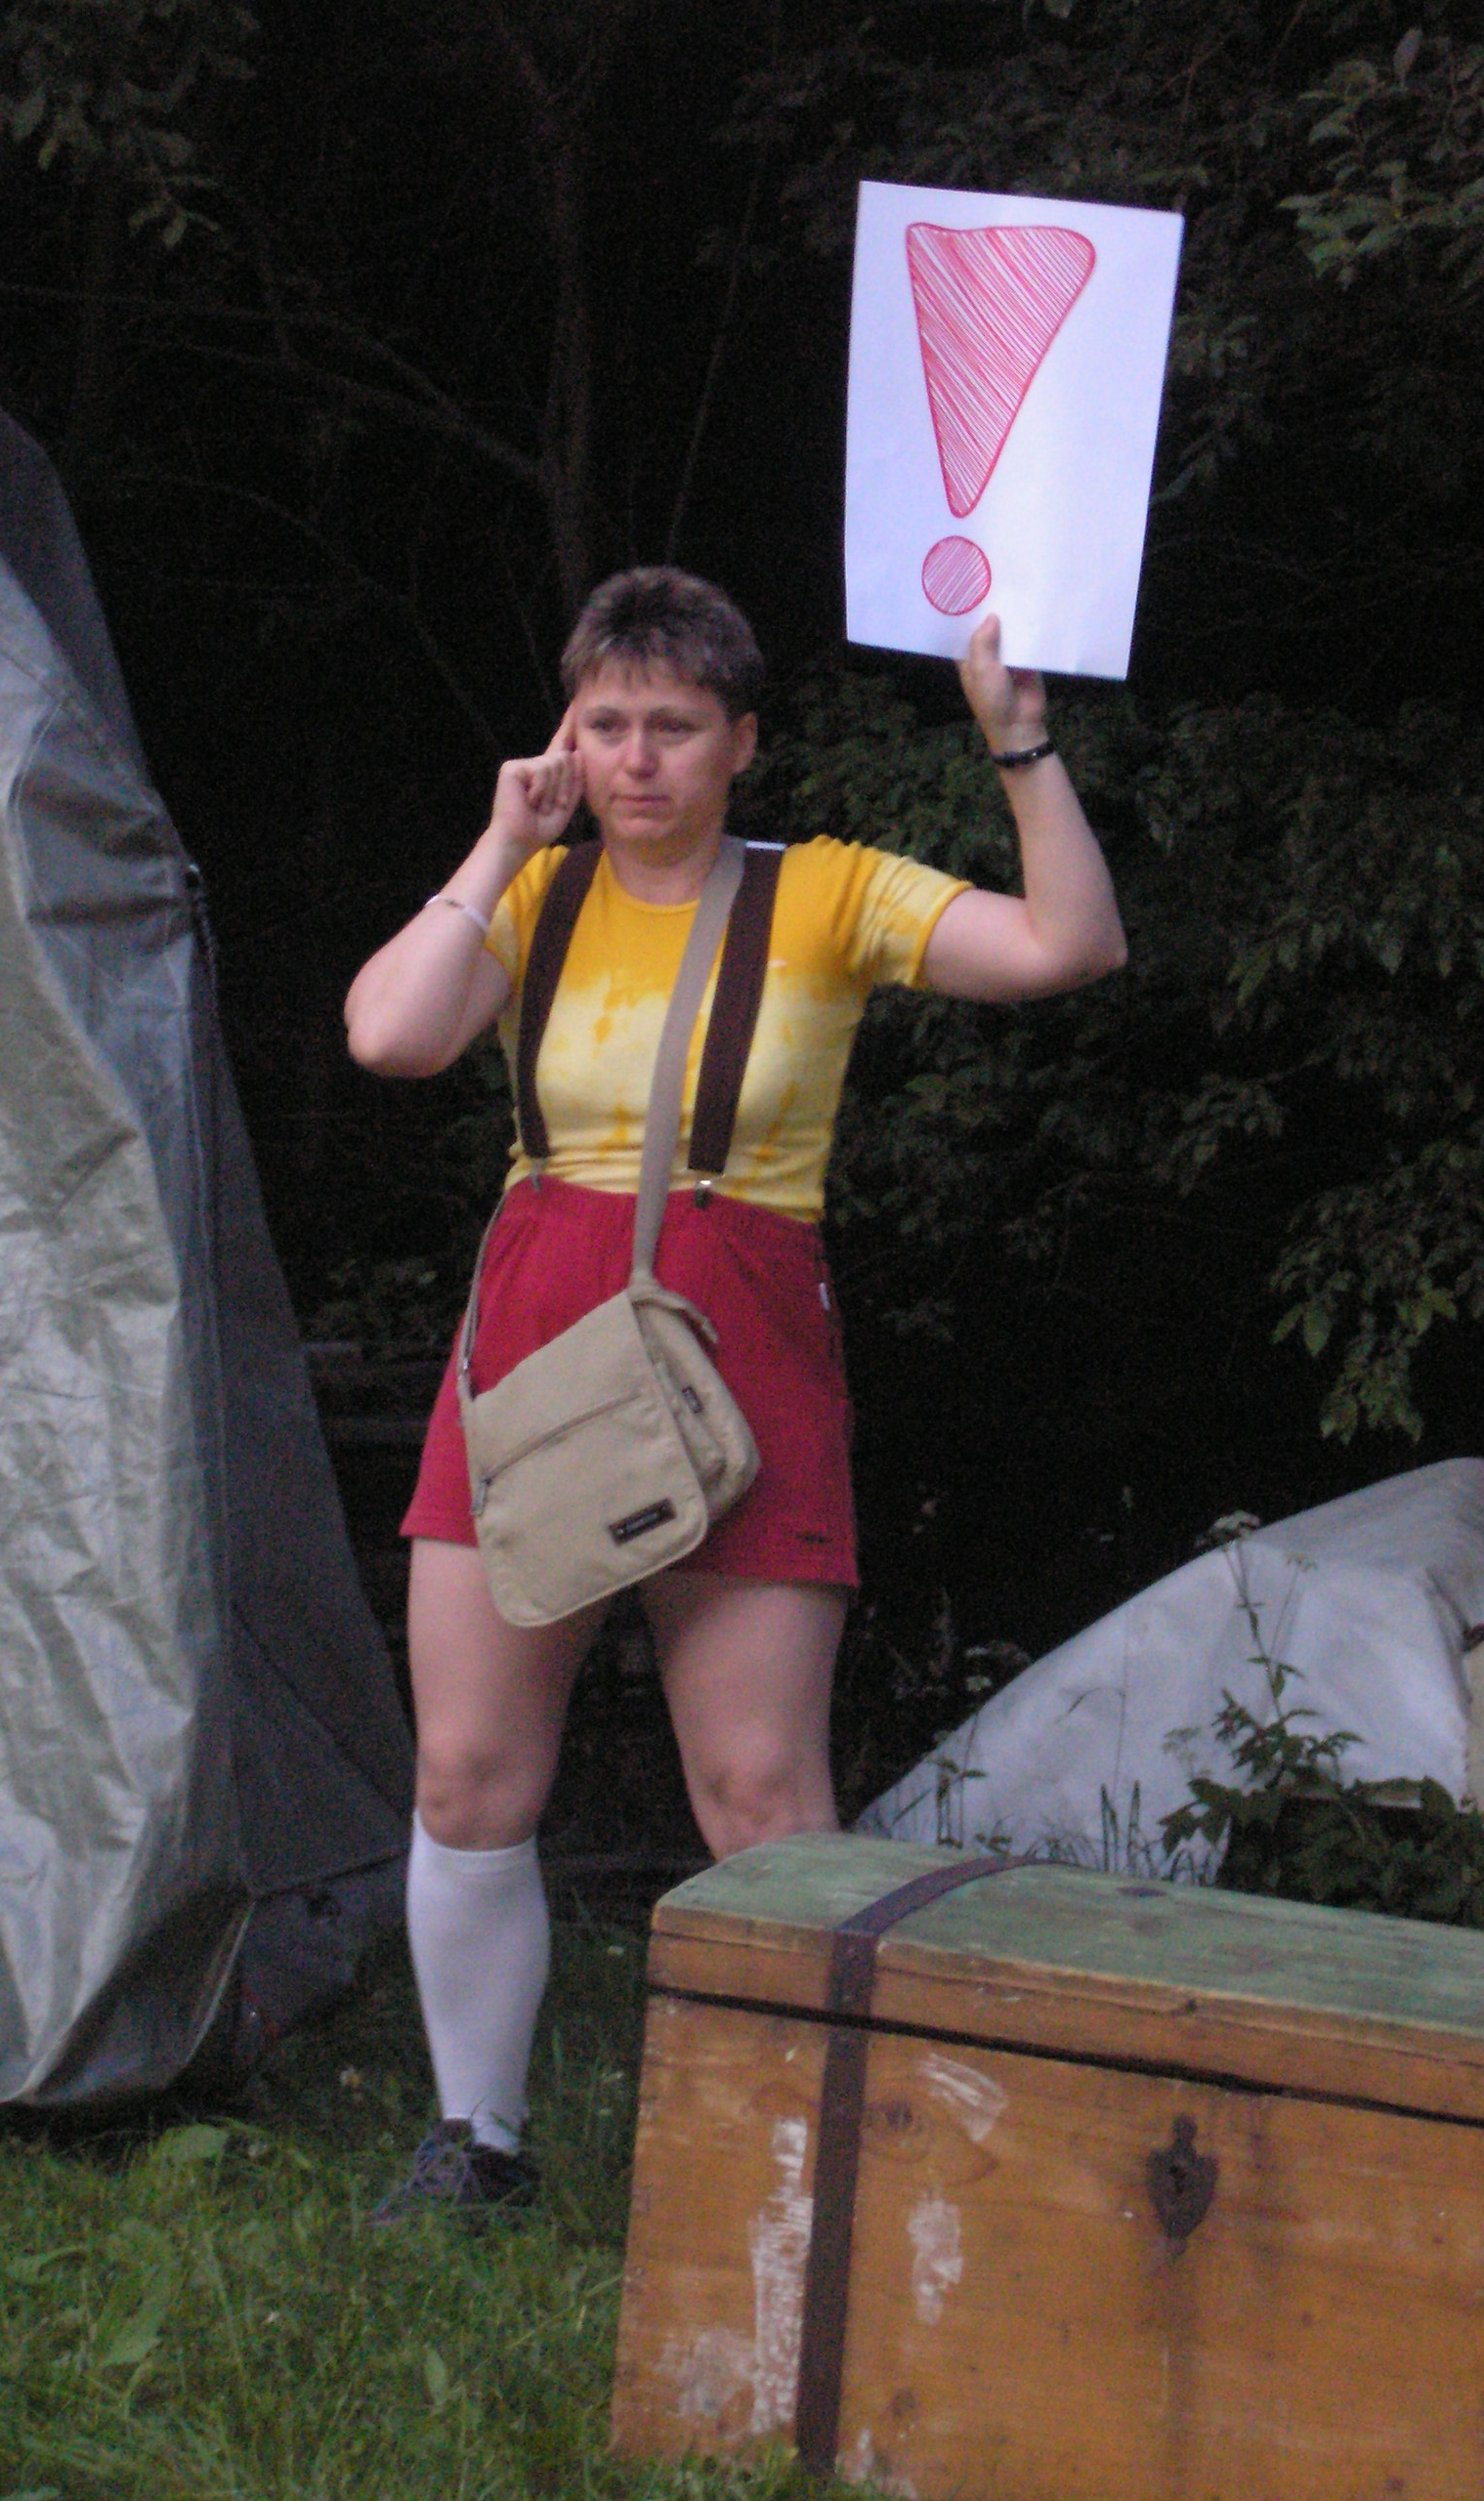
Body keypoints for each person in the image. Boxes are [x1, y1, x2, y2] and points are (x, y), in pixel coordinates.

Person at [344, 568, 1126, 2214]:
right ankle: (476, 2145)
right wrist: (499, 842)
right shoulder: (534, 894)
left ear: (742, 742)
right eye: (606, 724)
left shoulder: (822, 893)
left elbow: (1070, 945)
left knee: (759, 1793)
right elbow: (390, 1039)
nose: (637, 760)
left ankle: (813, 2168)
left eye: (676, 727)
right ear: (567, 738)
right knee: (468, 1773)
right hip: (537, 1340)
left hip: (742, 1340)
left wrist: (1020, 743)